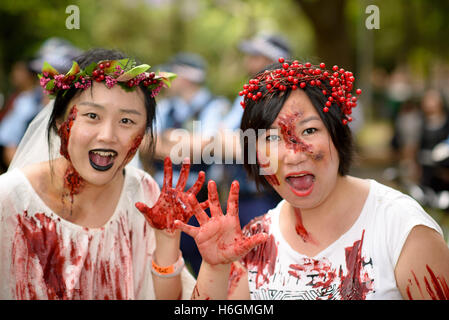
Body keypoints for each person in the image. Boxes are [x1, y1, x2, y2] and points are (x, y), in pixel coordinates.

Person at [177, 58, 449, 300]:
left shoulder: (401, 229)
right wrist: (215, 267)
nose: (294, 155)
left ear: (337, 134)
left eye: (308, 130)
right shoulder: (254, 242)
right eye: (271, 138)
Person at [0, 48, 201, 300]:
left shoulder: (142, 193)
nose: (107, 135)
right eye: (92, 116)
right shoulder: (8, 199)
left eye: (126, 121)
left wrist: (176, 245)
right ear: (60, 123)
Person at [148, 52, 230, 276]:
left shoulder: (216, 106)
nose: (165, 82)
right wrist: (186, 143)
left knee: (206, 265)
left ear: (184, 78)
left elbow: (205, 147)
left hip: (199, 202)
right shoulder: (166, 107)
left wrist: (168, 139)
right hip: (164, 200)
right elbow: (148, 143)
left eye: (170, 76)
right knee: (165, 263)